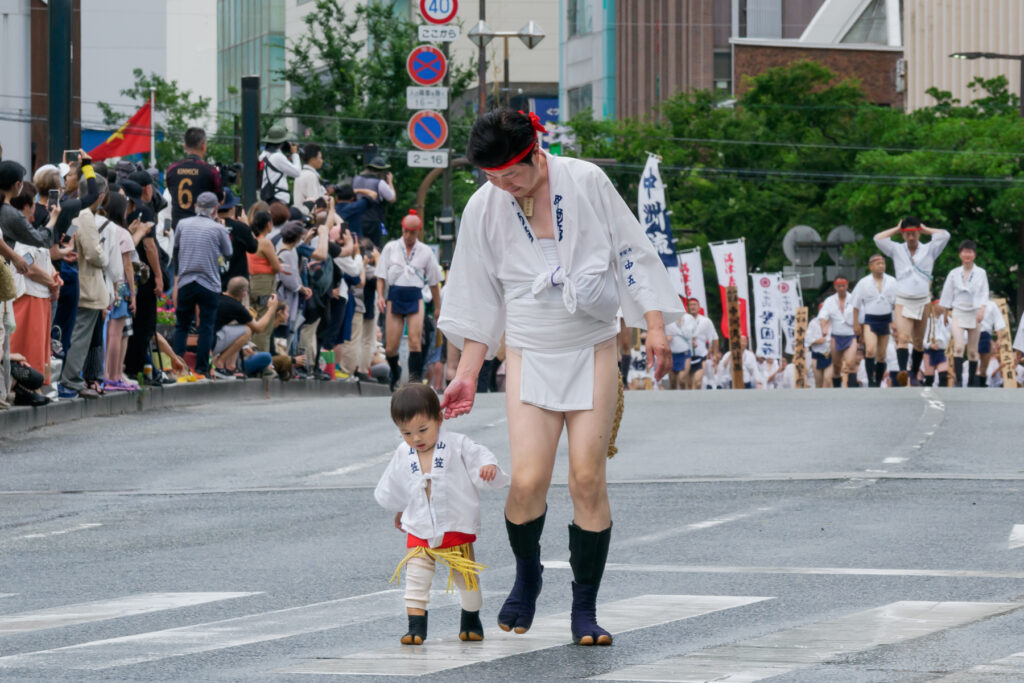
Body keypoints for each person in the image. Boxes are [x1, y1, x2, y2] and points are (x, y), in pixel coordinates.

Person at [437, 108, 682, 646]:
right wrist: (466, 374)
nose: (503, 185)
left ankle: (585, 608)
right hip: (527, 349)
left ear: (535, 154)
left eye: (511, 173)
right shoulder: (485, 206)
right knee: (526, 482)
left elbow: (632, 253)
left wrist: (657, 326)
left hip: (592, 344)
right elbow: (479, 300)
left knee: (587, 480)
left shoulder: (585, 180)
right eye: (492, 177)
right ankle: (528, 574)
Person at [374, 383, 509, 645]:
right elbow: (400, 485)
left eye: (423, 430)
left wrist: (488, 467)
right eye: (406, 433)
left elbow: (481, 456)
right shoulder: (404, 453)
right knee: (416, 576)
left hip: (454, 524)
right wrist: (401, 509)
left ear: (439, 418)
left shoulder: (458, 445)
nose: (416, 438)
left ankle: (471, 619)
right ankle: (416, 627)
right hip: (419, 525)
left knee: (465, 577)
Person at [874, 217, 950, 385]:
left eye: (914, 233)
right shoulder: (896, 249)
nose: (911, 237)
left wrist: (926, 229)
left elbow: (945, 235)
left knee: (918, 341)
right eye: (907, 234)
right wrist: (896, 228)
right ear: (903, 235)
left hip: (923, 300)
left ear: (918, 233)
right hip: (903, 299)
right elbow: (878, 238)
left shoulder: (930, 249)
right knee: (902, 337)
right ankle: (902, 371)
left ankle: (914, 372)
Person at [57, 175, 110, 399]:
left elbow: (66, 240)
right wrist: (104, 254)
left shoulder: (68, 208)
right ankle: (70, 380)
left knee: (70, 332)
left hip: (72, 279)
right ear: (100, 195)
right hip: (87, 283)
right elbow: (92, 253)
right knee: (79, 335)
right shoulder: (86, 215)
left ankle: (66, 378)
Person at [377, 210, 443, 388]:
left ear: (418, 232)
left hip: (415, 296)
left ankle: (414, 380)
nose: (407, 235)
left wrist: (437, 307)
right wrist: (380, 297)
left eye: (411, 232)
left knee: (415, 342)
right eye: (405, 231)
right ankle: (395, 371)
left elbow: (434, 282)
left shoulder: (426, 251)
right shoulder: (391, 247)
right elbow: (381, 275)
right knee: (391, 346)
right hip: (395, 295)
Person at [172, 192, 232, 378]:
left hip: (186, 280)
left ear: (196, 205)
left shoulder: (182, 224)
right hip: (209, 282)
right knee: (206, 326)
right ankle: (201, 369)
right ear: (215, 209)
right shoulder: (218, 229)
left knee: (182, 324)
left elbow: (176, 247)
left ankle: (177, 365)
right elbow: (228, 252)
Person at [938, 240, 989, 387]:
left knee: (973, 351)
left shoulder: (981, 273)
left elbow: (984, 293)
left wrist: (982, 310)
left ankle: (972, 382)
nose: (967, 255)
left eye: (970, 252)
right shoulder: (954, 273)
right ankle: (959, 381)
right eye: (964, 252)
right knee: (959, 346)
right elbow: (947, 293)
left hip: (974, 312)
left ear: (974, 254)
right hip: (958, 312)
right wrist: (946, 312)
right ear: (960, 254)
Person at [212, 276, 278, 376]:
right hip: (213, 342)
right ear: (244, 293)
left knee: (239, 329)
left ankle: (230, 366)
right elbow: (259, 328)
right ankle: (220, 362)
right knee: (247, 330)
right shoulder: (236, 307)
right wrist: (271, 309)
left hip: (206, 338)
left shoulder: (218, 296)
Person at [850, 254, 898, 387]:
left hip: (886, 319)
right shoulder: (864, 282)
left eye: (883, 263)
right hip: (870, 320)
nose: (881, 266)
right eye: (878, 263)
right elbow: (855, 305)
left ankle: (877, 381)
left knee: (882, 355)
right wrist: (855, 323)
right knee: (870, 350)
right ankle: (870, 379)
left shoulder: (892, 281)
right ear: (871, 266)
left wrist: (896, 322)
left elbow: (897, 304)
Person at [166, 127, 224, 228]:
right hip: (202, 229)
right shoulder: (210, 171)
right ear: (203, 146)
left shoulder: (172, 170)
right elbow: (220, 200)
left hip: (179, 228)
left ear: (185, 146)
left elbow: (172, 192)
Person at [246, 210, 282, 352]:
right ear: (268, 224)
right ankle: (261, 360)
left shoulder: (251, 240)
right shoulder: (265, 243)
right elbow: (276, 267)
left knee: (253, 321)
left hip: (252, 282)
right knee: (264, 323)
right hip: (265, 284)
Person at [817, 277, 857, 388]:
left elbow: (859, 314)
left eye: (843, 285)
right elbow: (823, 315)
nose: (841, 288)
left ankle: (852, 389)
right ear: (835, 287)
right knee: (836, 366)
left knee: (850, 363)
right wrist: (823, 327)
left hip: (850, 335)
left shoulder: (853, 298)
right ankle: (837, 389)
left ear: (847, 286)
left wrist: (860, 330)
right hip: (836, 336)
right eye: (839, 286)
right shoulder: (830, 301)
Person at [217, 189, 258, 290]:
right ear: (232, 208)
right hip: (237, 288)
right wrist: (247, 226)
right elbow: (254, 247)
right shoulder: (241, 228)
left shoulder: (208, 226)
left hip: (214, 286)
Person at [353, 157, 396, 246]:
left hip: (356, 217)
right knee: (375, 247)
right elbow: (392, 198)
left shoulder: (355, 179)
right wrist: (390, 182)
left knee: (357, 245)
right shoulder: (379, 182)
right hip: (372, 219)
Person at [259, 125, 302, 205]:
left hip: (268, 197)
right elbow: (297, 172)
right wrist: (295, 154)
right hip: (278, 199)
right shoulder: (278, 157)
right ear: (282, 142)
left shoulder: (264, 155)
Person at [687, 298, 717, 391]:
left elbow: (714, 337)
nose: (693, 307)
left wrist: (714, 354)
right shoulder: (684, 320)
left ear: (699, 307)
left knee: (698, 381)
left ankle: (696, 400)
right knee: (688, 383)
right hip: (687, 355)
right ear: (687, 307)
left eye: (695, 304)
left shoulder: (705, 321)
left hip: (701, 354)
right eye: (691, 305)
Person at [665, 303, 696, 389]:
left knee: (682, 379)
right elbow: (662, 334)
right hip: (671, 353)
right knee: (673, 382)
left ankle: (684, 400)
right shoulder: (668, 318)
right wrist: (666, 339)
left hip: (685, 352)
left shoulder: (689, 318)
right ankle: (673, 401)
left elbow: (693, 333)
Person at [978, 296, 1007, 386]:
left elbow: (998, 322)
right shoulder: (969, 301)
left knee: (983, 365)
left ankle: (982, 383)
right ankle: (973, 383)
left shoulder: (991, 305)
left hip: (985, 334)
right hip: (973, 333)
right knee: (974, 359)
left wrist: (999, 338)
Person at [921, 302, 951, 387]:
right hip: (929, 350)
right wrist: (929, 345)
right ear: (934, 305)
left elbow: (952, 334)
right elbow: (921, 337)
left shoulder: (948, 320)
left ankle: (943, 396)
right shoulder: (926, 320)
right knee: (929, 378)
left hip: (942, 350)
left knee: (943, 376)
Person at [293, 143, 326, 211]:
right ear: (312, 160)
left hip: (299, 213)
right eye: (320, 158)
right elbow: (315, 202)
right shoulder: (311, 176)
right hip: (308, 215)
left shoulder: (300, 173)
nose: (322, 161)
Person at [805, 312, 832, 389]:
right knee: (818, 383)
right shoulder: (813, 323)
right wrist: (817, 341)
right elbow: (807, 340)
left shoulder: (834, 321)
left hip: (830, 354)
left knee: (827, 380)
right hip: (817, 355)